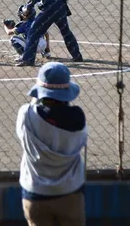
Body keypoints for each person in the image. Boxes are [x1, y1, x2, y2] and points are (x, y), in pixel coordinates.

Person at [16, 62, 88, 226]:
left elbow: (34, 109)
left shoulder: (26, 114)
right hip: (70, 192)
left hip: (35, 191)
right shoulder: (78, 119)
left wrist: (40, 94)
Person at [17, 0, 83, 67]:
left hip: (48, 10)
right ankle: (77, 56)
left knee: (34, 31)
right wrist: (62, 3)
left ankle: (28, 59)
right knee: (66, 32)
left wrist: (27, 8)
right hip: (60, 8)